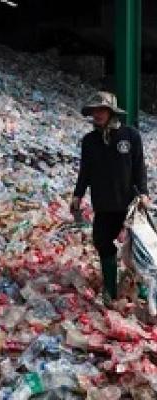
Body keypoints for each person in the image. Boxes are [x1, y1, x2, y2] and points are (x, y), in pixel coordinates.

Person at [70, 91, 150, 307]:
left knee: (138, 249)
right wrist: (78, 194)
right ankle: (110, 290)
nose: (97, 114)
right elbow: (85, 171)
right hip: (104, 203)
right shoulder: (90, 141)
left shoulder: (130, 136)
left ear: (111, 112)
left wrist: (143, 192)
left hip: (129, 204)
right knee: (102, 242)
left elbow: (139, 167)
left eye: (102, 110)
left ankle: (143, 292)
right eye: (94, 110)